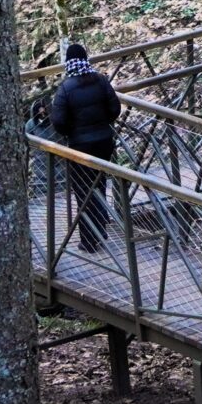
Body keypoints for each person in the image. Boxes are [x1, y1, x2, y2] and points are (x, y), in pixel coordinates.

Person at [46, 41, 123, 253]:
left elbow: (59, 120)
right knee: (99, 183)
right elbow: (115, 109)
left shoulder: (65, 88)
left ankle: (89, 241)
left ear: (68, 63)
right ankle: (101, 228)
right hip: (104, 141)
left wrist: (72, 131)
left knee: (83, 191)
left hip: (80, 146)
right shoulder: (100, 80)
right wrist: (102, 124)